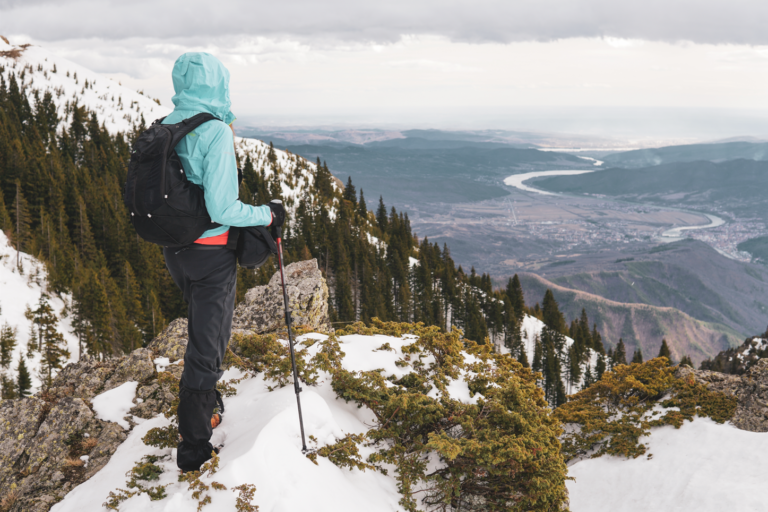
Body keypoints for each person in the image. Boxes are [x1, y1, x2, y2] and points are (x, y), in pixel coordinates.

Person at [161, 52, 285, 472]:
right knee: (207, 347)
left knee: (205, 331)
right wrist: (267, 215)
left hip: (175, 250)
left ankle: (206, 402)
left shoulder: (165, 127)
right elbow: (223, 208)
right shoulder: (213, 131)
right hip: (211, 252)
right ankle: (194, 446)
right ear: (218, 84)